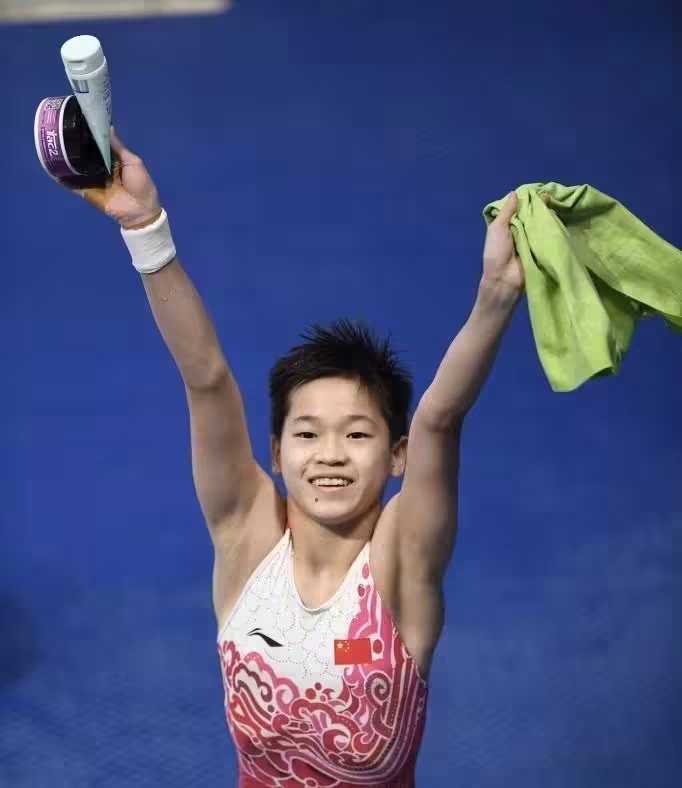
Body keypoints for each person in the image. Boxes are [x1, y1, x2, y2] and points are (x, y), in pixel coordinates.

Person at [54, 128, 544, 787]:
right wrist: (145, 228)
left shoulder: (402, 560)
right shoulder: (247, 541)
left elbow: (440, 417)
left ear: (398, 455)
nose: (330, 456)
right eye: (308, 435)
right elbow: (206, 379)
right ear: (277, 453)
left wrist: (496, 296)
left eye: (358, 435)